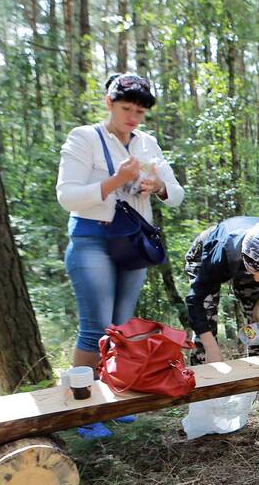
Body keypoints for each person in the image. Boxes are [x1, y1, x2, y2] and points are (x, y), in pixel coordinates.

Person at [56, 73, 185, 439]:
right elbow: (67, 197)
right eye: (127, 109)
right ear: (109, 103)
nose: (133, 118)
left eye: (140, 112)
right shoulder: (85, 138)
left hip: (133, 243)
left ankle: (112, 400)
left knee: (121, 327)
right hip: (92, 239)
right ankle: (83, 410)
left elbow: (176, 194)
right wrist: (115, 180)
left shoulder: (147, 143)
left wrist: (158, 185)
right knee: (95, 327)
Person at [182, 217, 259, 428]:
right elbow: (195, 299)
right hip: (207, 254)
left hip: (256, 259)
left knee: (257, 322)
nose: (258, 279)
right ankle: (202, 395)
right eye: (254, 273)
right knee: (206, 315)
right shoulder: (218, 256)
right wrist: (211, 345)